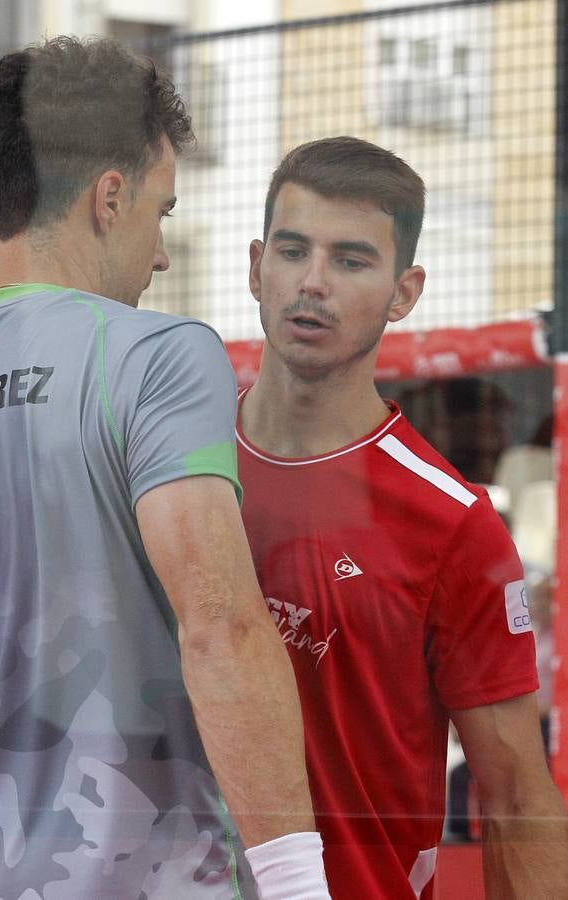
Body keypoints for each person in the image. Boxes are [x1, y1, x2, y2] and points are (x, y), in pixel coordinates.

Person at [0, 37, 328, 900]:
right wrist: (303, 889)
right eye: (162, 212)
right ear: (109, 199)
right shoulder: (161, 355)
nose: (161, 254)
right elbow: (220, 626)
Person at [236, 136, 568, 899]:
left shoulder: (451, 522)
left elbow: (517, 796)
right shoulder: (174, 471)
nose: (311, 284)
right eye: (292, 251)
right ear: (257, 267)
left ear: (404, 292)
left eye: (351, 261)